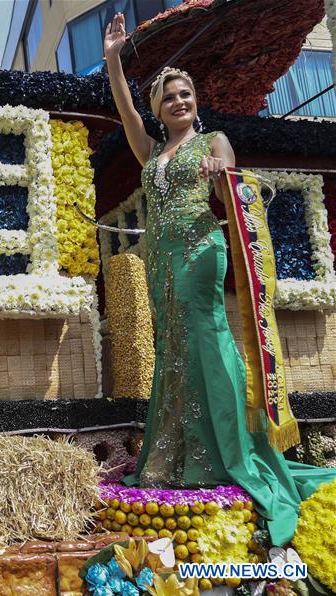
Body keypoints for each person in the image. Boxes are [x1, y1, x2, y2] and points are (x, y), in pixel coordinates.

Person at [103, 12, 336, 546]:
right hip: (159, 259)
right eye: (169, 98)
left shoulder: (213, 141)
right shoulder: (150, 150)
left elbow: (234, 181)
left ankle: (230, 453)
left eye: (185, 95)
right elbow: (124, 109)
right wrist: (114, 58)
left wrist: (219, 175)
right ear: (160, 110)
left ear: (195, 102)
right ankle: (176, 456)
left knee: (206, 341)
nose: (179, 102)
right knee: (174, 348)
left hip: (199, 252)